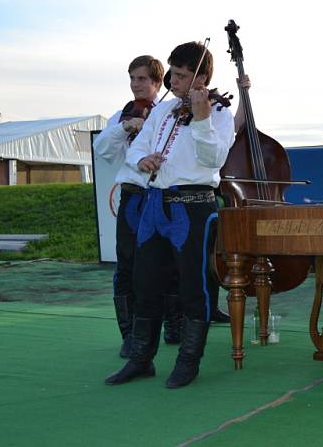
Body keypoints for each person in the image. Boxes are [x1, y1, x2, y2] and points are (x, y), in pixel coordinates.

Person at [104, 41, 235, 388]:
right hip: (154, 204)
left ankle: (188, 362)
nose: (173, 83)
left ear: (201, 78)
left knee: (194, 288)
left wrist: (202, 119)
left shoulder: (219, 114)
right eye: (173, 75)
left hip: (193, 206)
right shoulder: (162, 111)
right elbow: (141, 146)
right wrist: (141, 160)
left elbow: (214, 160)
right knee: (144, 283)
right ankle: (141, 359)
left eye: (180, 76)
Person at [93, 55, 177, 357]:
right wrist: (126, 127)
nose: (135, 85)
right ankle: (129, 335)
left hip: (162, 195)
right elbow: (101, 150)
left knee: (168, 264)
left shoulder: (170, 113)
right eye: (132, 78)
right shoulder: (122, 115)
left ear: (157, 83)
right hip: (133, 196)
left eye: (142, 79)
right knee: (127, 266)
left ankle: (172, 325)